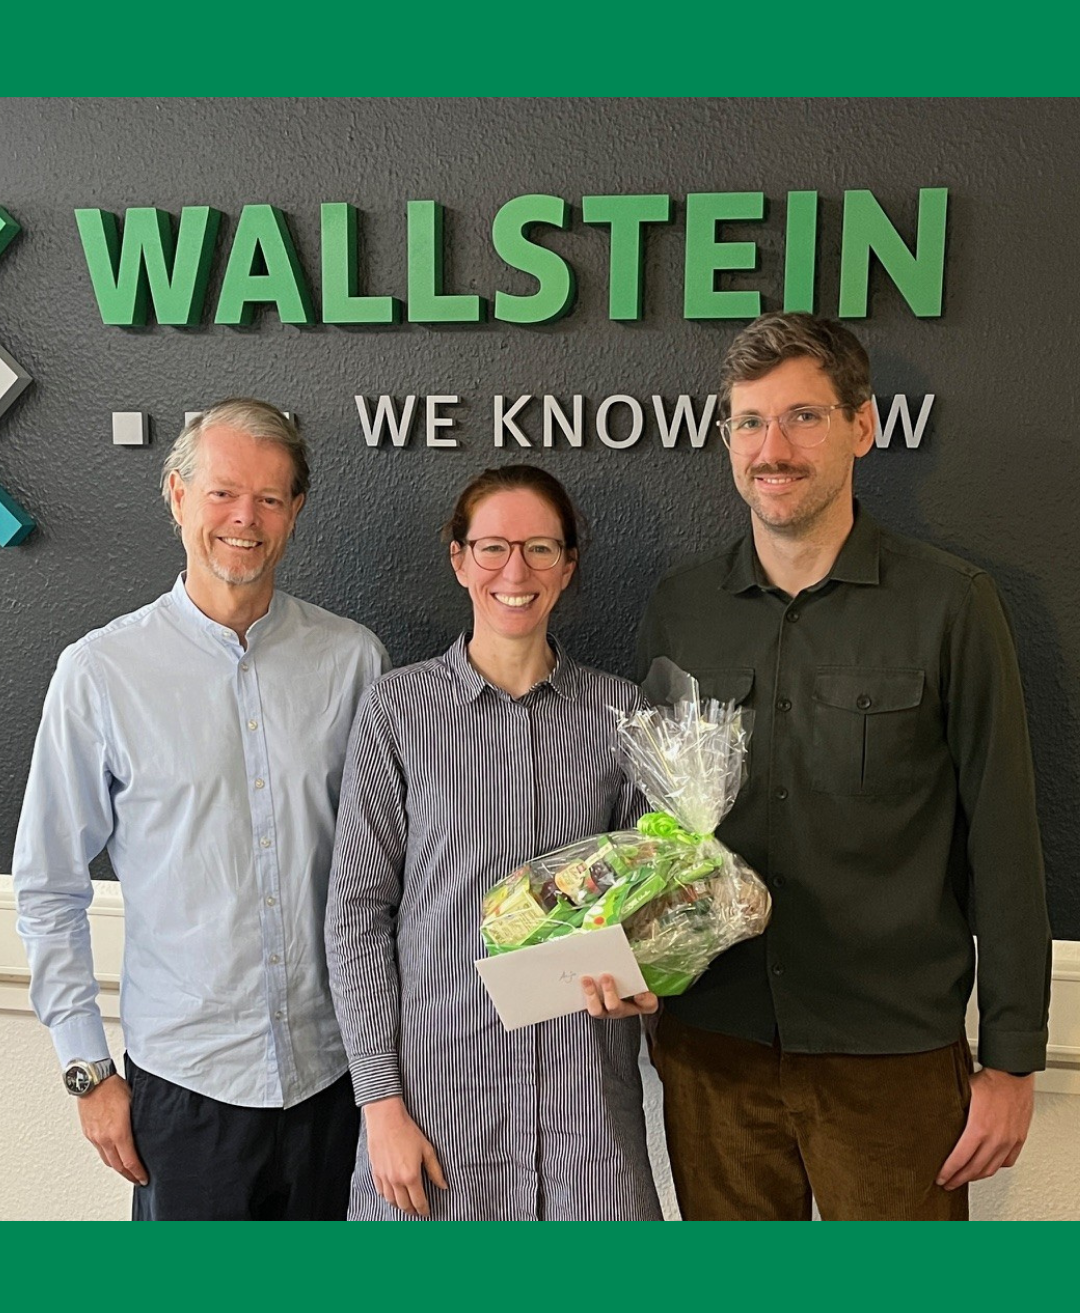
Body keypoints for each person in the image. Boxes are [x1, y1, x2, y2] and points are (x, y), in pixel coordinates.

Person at [635, 312, 1052, 1221]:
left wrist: (1014, 1058)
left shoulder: (951, 605)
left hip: (890, 1056)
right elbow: (657, 825)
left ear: (863, 427)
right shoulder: (681, 609)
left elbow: (1005, 840)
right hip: (714, 1050)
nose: (771, 449)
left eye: (802, 418)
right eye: (749, 422)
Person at [13, 399, 388, 1220]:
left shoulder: (353, 662)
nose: (244, 519)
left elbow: (388, 872)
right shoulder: (101, 674)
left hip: (337, 1084)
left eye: (269, 498)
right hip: (185, 1094)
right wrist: (88, 1072)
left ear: (295, 511)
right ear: (177, 495)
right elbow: (46, 889)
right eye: (222, 493)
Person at [325, 464, 662, 1221]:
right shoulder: (397, 710)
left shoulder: (623, 715)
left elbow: (649, 900)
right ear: (459, 559)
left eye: (540, 549)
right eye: (492, 548)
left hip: (585, 1110)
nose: (516, 572)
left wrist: (649, 977)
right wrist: (380, 1106)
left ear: (567, 567)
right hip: (437, 1109)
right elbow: (356, 915)